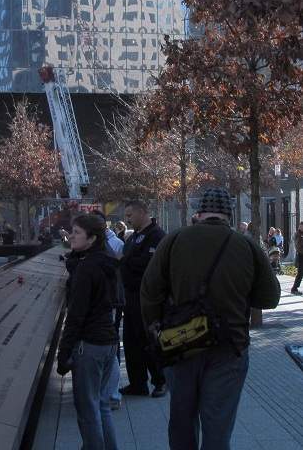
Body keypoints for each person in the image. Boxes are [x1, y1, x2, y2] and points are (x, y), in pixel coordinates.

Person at [139, 189, 281, 450]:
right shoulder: (246, 245)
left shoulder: (173, 240)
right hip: (230, 347)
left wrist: (156, 329)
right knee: (218, 428)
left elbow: (149, 292)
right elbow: (269, 299)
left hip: (179, 346)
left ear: (199, 213)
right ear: (229, 213)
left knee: (182, 421)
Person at [54, 214, 123, 450]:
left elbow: (76, 315)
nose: (71, 236)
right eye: (71, 231)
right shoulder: (106, 261)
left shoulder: (87, 269)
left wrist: (63, 355)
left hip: (89, 345)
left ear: (92, 238)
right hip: (109, 342)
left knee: (87, 409)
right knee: (101, 406)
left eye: (77, 233)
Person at [124, 216, 172, 397]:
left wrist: (127, 260)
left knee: (149, 340)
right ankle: (137, 383)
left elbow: (148, 264)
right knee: (132, 342)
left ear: (142, 214)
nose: (128, 219)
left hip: (148, 298)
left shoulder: (157, 235)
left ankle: (161, 380)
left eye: (130, 215)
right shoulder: (135, 236)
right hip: (131, 297)